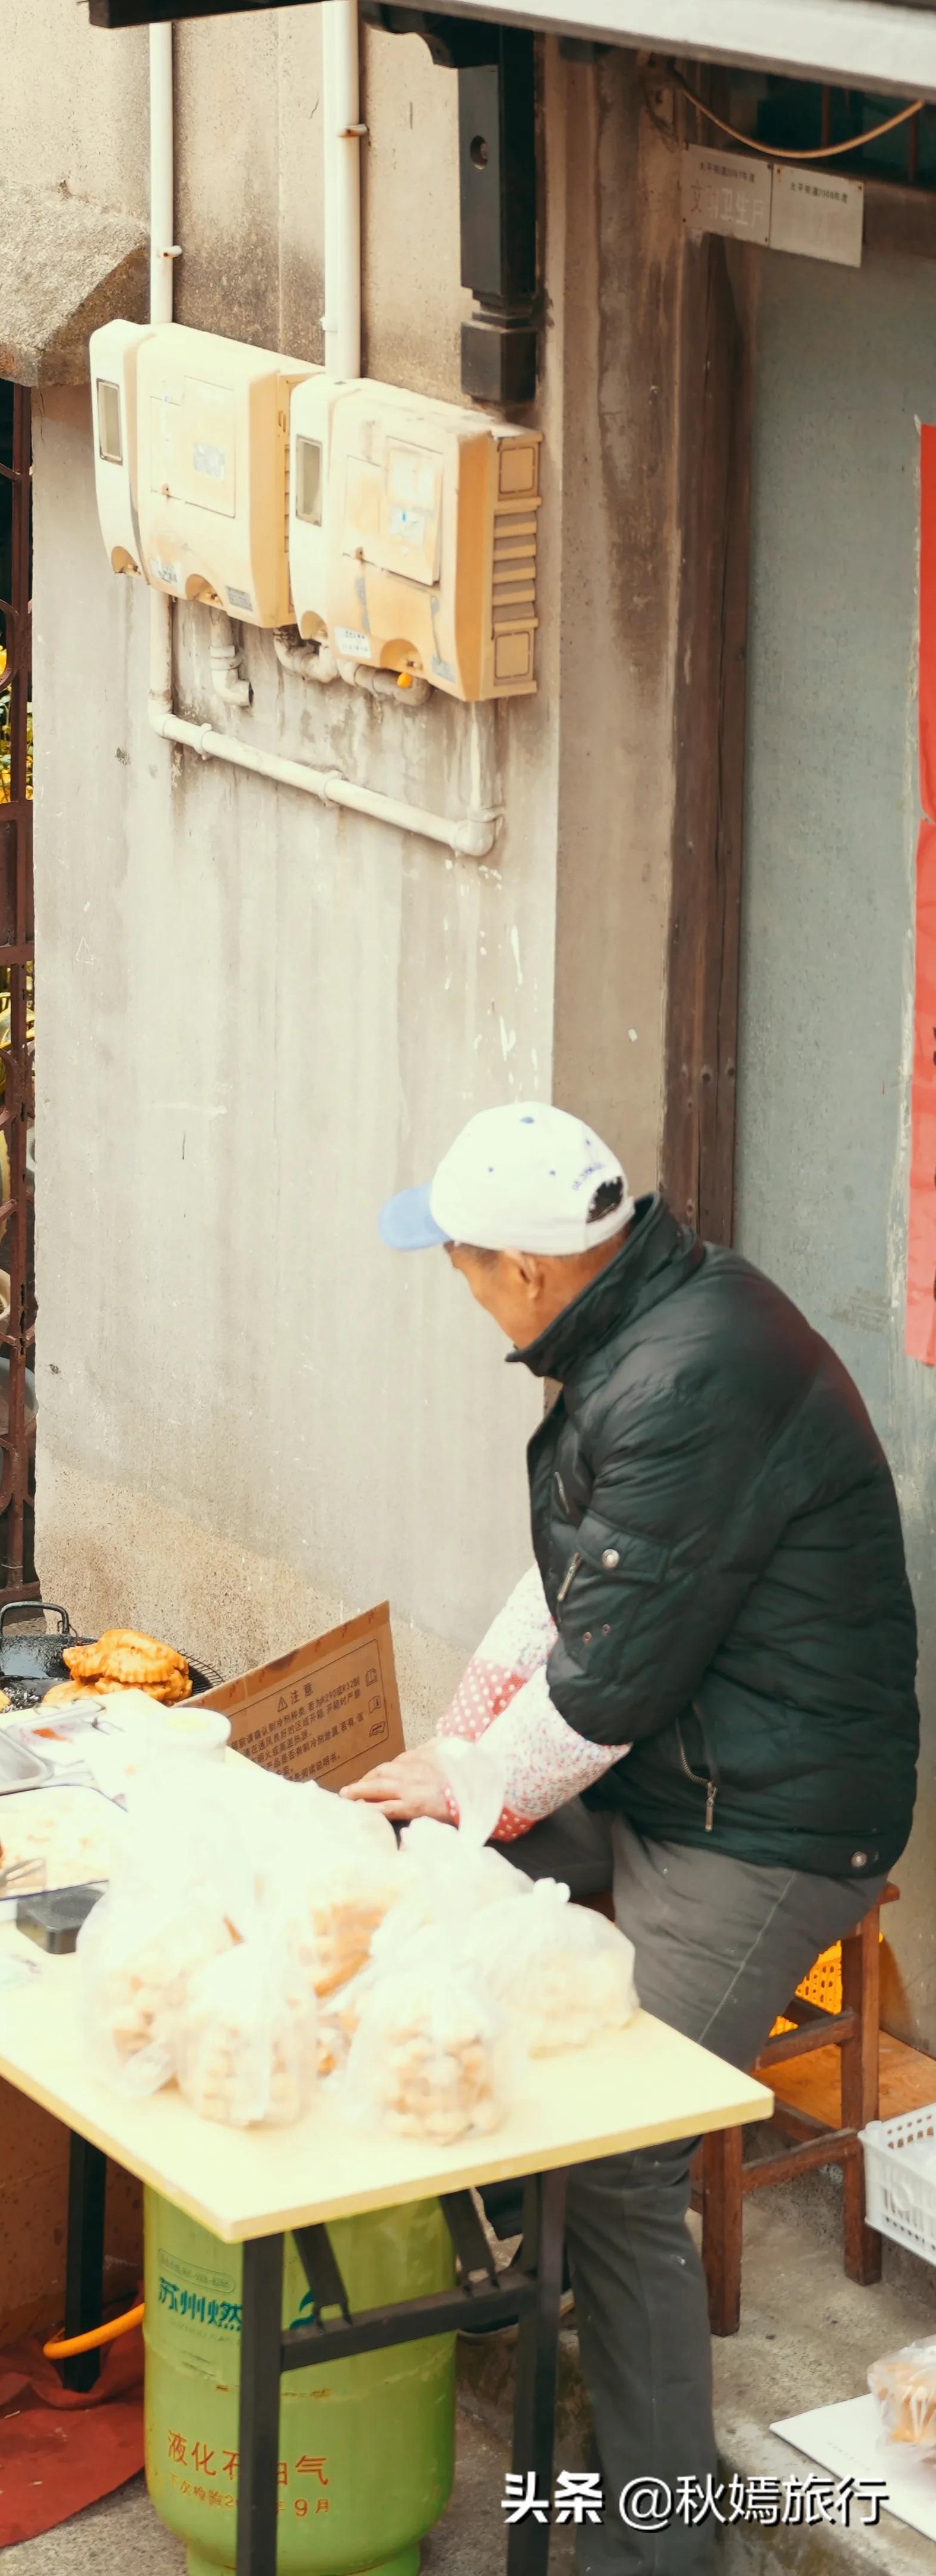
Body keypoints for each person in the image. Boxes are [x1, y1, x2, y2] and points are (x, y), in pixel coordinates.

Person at [347, 1104, 918, 2575]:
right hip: (681, 1768)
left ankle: (657, 2542)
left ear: (523, 1270)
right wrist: (456, 1768)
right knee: (415, 1912)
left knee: (613, 2148)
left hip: (770, 1822)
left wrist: (473, 1780)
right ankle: (489, 2288)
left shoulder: (681, 1374)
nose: (462, 1292)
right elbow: (571, 1593)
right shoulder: (649, 1321)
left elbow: (599, 1684)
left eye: (462, 1266)